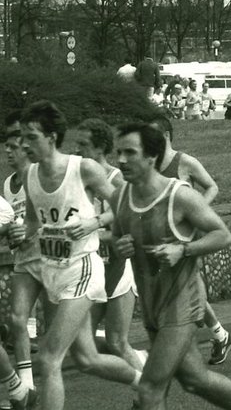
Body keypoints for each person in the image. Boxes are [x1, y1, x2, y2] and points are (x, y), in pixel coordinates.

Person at [109, 121, 231, 410]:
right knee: (195, 380)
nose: (120, 160)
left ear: (151, 157)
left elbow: (223, 234)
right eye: (118, 152)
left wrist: (182, 249)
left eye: (130, 153)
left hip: (183, 303)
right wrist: (119, 250)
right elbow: (117, 246)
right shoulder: (120, 197)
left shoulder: (179, 196)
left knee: (149, 389)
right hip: (152, 305)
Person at [19, 101, 141, 410]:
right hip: (52, 272)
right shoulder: (30, 174)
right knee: (86, 359)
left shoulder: (82, 168)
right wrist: (20, 232)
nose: (24, 144)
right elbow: (33, 222)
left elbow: (125, 204)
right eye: (22, 137)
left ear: (52, 137)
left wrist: (94, 221)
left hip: (83, 268)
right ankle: (147, 382)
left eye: (31, 136)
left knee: (48, 358)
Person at [149, 115, 231, 367]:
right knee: (181, 286)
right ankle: (218, 335)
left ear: (165, 135)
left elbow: (212, 187)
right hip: (162, 236)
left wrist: (197, 210)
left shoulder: (184, 162)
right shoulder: (150, 165)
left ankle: (211, 337)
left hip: (187, 235)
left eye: (152, 135)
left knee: (188, 283)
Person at [70, 119, 146, 373]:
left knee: (116, 341)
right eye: (76, 143)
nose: (77, 149)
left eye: (83, 144)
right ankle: (142, 360)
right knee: (84, 345)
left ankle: (146, 389)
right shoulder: (78, 179)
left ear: (100, 147)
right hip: (92, 268)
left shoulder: (115, 177)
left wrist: (95, 224)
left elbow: (128, 206)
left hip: (118, 264)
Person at [4, 111, 44, 405]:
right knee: (17, 321)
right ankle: (25, 390)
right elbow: (11, 222)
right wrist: (9, 231)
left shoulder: (41, 175)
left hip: (52, 261)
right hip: (24, 262)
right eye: (5, 145)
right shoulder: (7, 184)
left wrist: (29, 231)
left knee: (83, 347)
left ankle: (137, 361)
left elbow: (51, 218)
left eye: (12, 145)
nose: (7, 150)